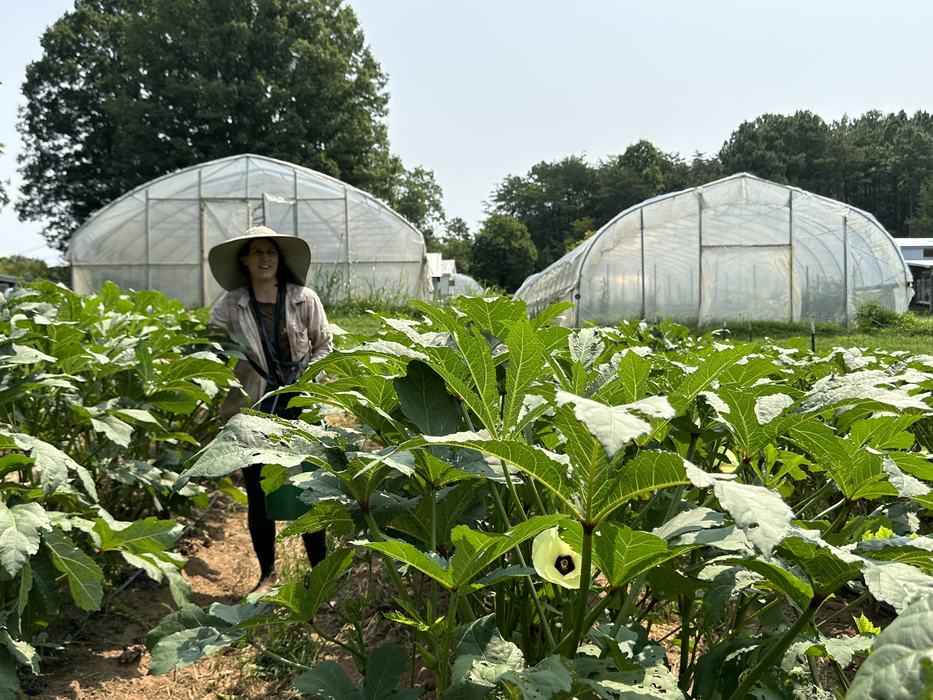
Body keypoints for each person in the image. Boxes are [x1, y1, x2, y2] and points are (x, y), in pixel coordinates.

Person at [208, 225, 333, 594]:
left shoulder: (303, 299)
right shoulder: (230, 305)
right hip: (253, 412)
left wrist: (306, 380)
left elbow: (324, 344)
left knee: (309, 490)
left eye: (271, 252)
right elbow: (213, 351)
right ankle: (268, 575)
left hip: (299, 408)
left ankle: (320, 575)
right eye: (257, 252)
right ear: (244, 260)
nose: (265, 258)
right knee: (259, 495)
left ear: (279, 260)